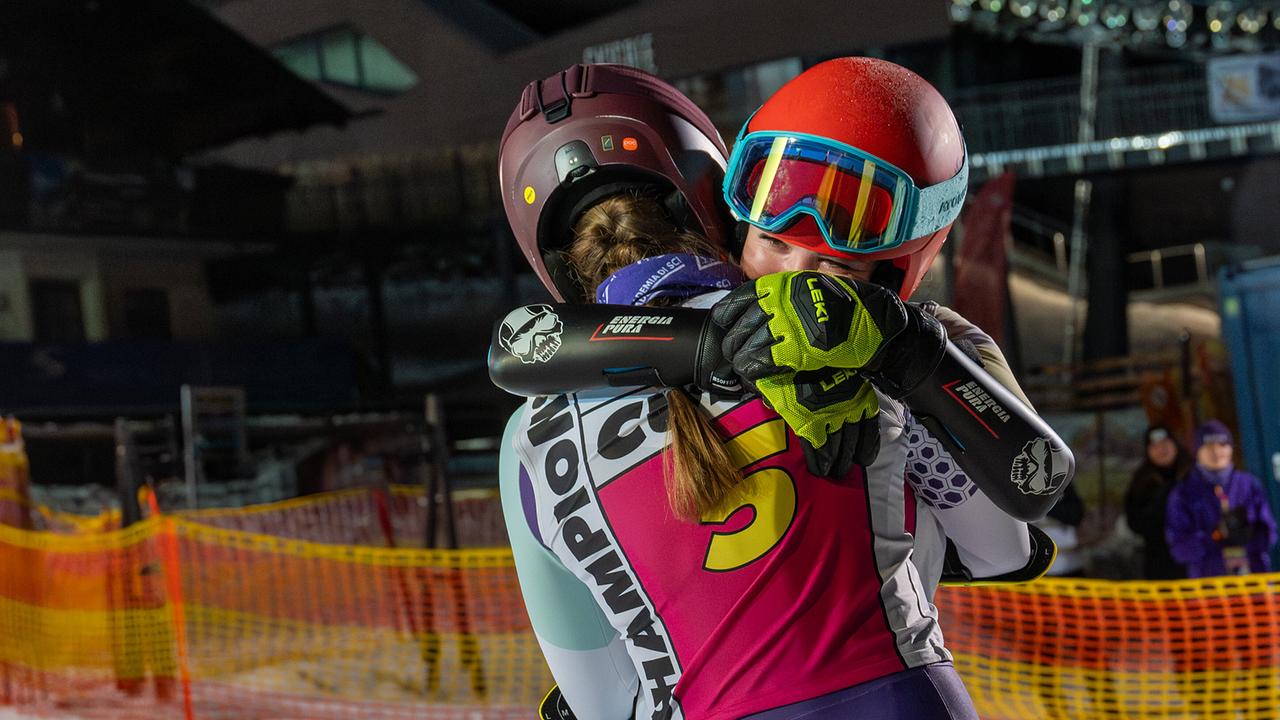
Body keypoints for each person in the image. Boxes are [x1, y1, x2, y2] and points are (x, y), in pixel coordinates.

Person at [496, 62, 985, 719]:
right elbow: (1003, 543)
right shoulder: (854, 331)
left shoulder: (532, 437)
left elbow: (602, 700)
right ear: (712, 193)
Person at [1165, 419, 1276, 578]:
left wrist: (1249, 533)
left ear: (1231, 448)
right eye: (1209, 446)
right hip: (1212, 590)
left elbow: (1269, 535)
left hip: (1253, 587)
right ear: (1197, 452)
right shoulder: (1183, 493)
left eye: (1222, 445)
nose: (1216, 452)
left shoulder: (1249, 485)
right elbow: (1180, 550)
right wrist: (1214, 535)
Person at [1124, 425, 1191, 579]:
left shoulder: (1193, 475)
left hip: (1196, 563)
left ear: (1175, 445)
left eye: (1165, 443)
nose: (1161, 450)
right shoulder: (1141, 482)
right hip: (1160, 566)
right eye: (1155, 446)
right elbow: (1135, 523)